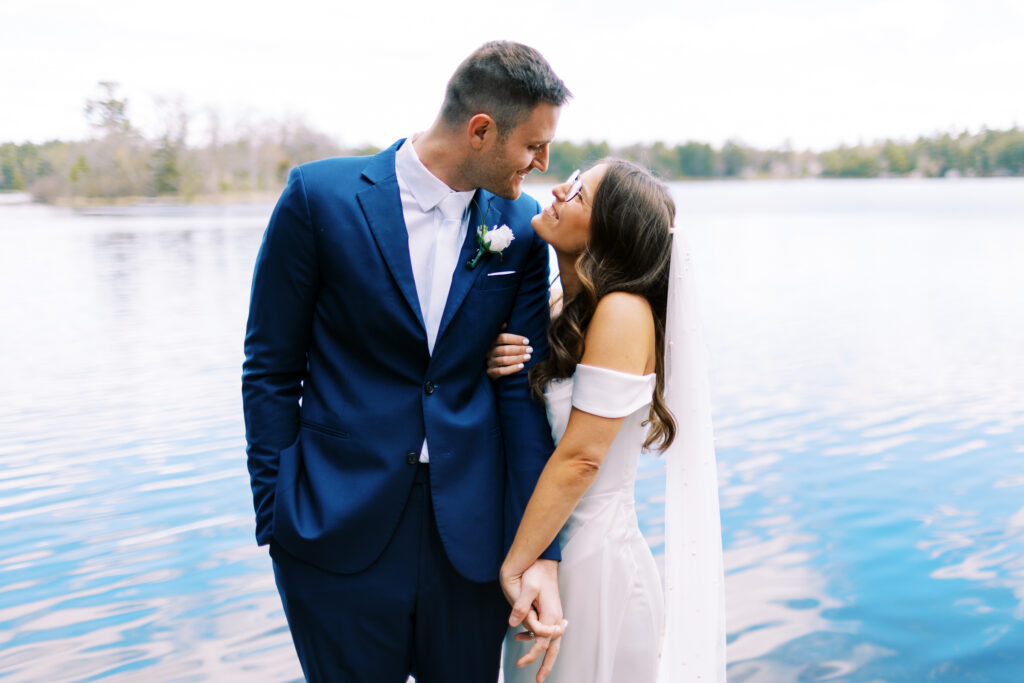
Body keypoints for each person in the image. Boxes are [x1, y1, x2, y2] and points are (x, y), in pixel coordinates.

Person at [242, 41, 572, 682]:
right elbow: (270, 368)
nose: (543, 163)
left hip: (471, 542)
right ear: (481, 130)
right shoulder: (319, 198)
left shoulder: (523, 226)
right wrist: (277, 513)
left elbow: (521, 395)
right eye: (533, 145)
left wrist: (538, 551)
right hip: (335, 528)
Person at [489, 160, 727, 682]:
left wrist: (516, 563)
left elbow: (581, 458)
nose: (557, 190)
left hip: (590, 563)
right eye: (572, 179)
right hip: (547, 546)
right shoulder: (561, 304)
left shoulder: (623, 310)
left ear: (609, 233)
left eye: (579, 194)